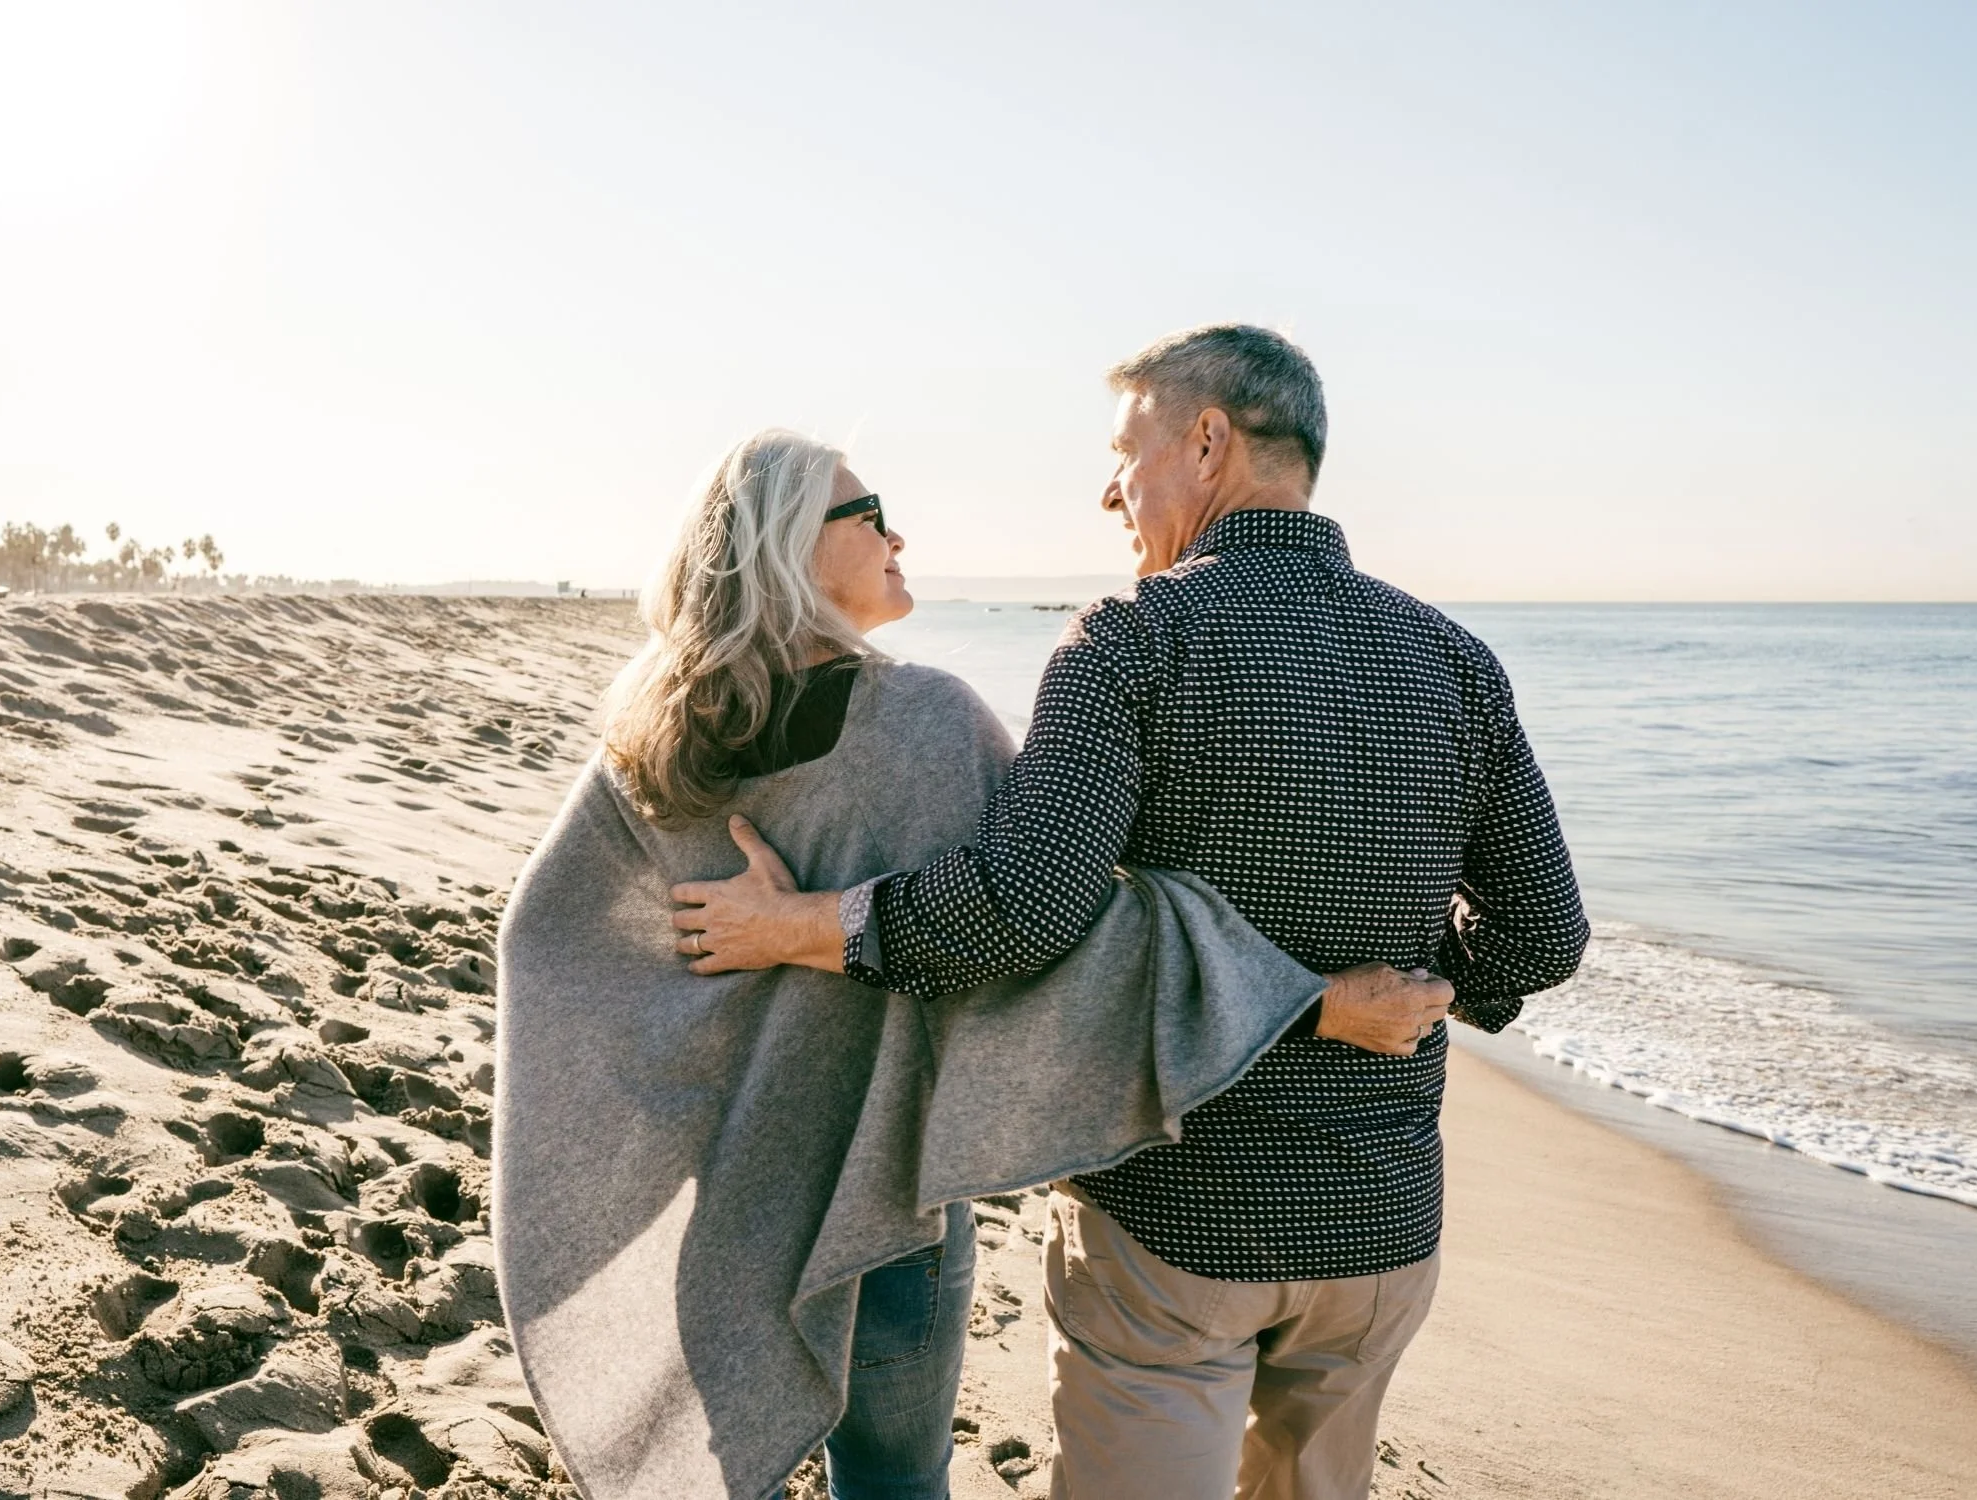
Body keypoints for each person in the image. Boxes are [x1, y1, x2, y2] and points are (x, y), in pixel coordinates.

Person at [671, 327, 1591, 1500]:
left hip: (1174, 1218)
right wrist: (1425, 993)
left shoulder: (1134, 638)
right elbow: (1543, 935)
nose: (1110, 487)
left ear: (1207, 441)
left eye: (1125, 450)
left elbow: (1021, 910)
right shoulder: (1453, 657)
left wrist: (803, 925)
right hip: (1382, 1223)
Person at [494, 428, 1445, 1500]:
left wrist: (682, 1068)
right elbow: (1065, 938)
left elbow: (551, 946)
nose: (897, 533)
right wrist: (1313, 1003)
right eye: (869, 514)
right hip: (879, 1184)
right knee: (895, 1479)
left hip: (725, 1191)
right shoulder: (924, 723)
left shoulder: (659, 730)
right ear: (792, 547)